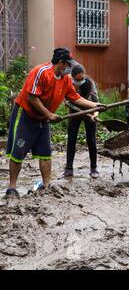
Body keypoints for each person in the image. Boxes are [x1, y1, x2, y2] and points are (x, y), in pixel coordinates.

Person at [4, 48, 105, 199]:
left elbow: (74, 97)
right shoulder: (41, 72)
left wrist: (94, 106)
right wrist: (49, 114)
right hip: (26, 115)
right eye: (68, 65)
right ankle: (12, 188)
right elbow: (32, 98)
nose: (69, 69)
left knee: (46, 154)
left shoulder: (65, 80)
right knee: (18, 153)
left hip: (43, 119)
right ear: (61, 63)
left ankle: (46, 186)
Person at [64, 64, 100, 179]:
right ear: (73, 77)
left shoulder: (90, 83)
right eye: (77, 79)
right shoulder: (68, 82)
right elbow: (66, 99)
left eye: (82, 78)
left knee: (91, 140)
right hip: (74, 113)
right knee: (71, 140)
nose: (80, 81)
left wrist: (95, 115)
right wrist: (69, 105)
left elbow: (96, 104)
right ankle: (69, 168)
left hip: (90, 114)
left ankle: (93, 168)